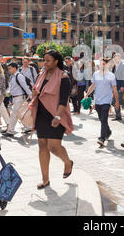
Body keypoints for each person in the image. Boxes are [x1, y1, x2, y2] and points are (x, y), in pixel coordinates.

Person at [30, 50, 74, 189]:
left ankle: (67, 162)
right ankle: (45, 180)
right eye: (44, 60)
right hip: (41, 115)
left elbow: (63, 100)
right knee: (42, 146)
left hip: (56, 115)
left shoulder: (64, 77)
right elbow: (36, 94)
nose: (45, 63)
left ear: (56, 61)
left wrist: (58, 116)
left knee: (53, 147)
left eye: (48, 61)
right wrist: (35, 94)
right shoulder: (41, 75)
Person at [85, 58, 119, 147]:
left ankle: (102, 138)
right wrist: (87, 94)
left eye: (103, 64)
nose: (101, 66)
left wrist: (117, 101)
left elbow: (114, 89)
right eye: (100, 64)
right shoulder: (96, 74)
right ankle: (108, 131)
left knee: (104, 119)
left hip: (106, 101)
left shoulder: (111, 75)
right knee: (101, 119)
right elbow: (93, 85)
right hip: (97, 101)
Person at [3, 62, 32, 137]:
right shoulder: (12, 77)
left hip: (19, 97)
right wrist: (8, 93)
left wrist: (31, 97)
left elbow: (25, 87)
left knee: (14, 114)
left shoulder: (19, 76)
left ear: (15, 68)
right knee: (19, 113)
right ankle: (28, 127)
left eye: (10, 68)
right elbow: (11, 87)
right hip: (15, 98)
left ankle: (10, 131)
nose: (9, 70)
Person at [111, 53, 124, 120]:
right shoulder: (114, 66)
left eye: (117, 58)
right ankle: (118, 116)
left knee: (116, 101)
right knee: (114, 101)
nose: (116, 59)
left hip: (121, 86)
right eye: (115, 58)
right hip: (115, 86)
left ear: (120, 58)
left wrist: (123, 86)